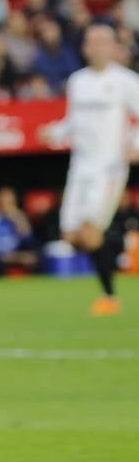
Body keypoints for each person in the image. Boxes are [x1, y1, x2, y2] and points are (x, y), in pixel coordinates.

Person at [42, 23, 139, 315]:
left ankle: (110, 296)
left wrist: (135, 144)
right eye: (92, 42)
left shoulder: (126, 81)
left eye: (103, 42)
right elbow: (73, 122)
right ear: (85, 48)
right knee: (72, 236)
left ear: (114, 47)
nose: (97, 47)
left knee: (91, 233)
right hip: (80, 167)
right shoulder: (77, 81)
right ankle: (121, 239)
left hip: (108, 168)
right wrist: (55, 133)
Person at [0, 187, 36, 276]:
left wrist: (22, 225)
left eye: (10, 203)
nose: (7, 207)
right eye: (3, 204)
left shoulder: (20, 217)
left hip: (19, 257)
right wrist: (18, 258)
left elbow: (31, 244)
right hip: (1, 261)